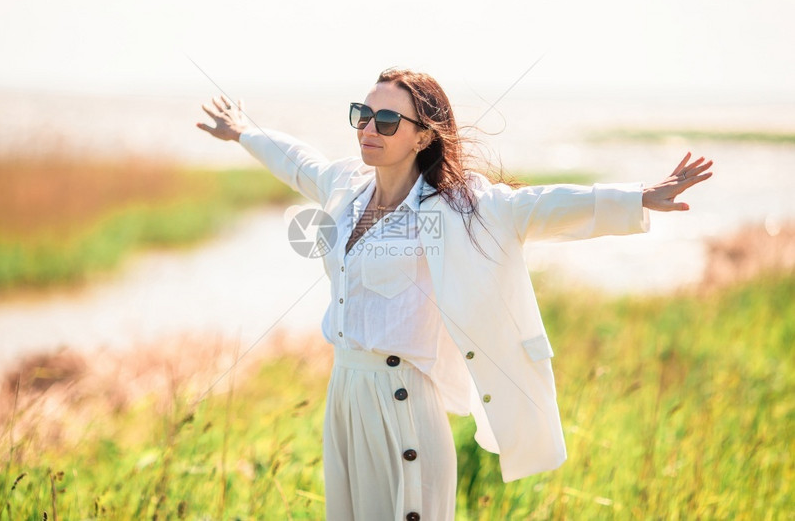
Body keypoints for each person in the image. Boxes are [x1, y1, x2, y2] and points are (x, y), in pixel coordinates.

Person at [196, 67, 713, 520]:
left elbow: (536, 206)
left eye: (387, 120)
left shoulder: (460, 206)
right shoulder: (346, 186)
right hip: (344, 391)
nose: (368, 128)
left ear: (423, 137)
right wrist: (244, 131)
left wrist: (639, 196)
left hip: (402, 398)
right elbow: (297, 160)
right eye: (362, 114)